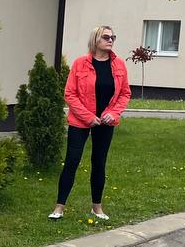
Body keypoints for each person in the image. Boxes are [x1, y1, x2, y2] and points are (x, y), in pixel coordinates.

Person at [49, 26, 132, 221]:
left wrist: (113, 113)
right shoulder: (80, 64)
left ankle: (97, 208)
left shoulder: (119, 65)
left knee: (99, 163)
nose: (110, 40)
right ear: (95, 40)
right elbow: (70, 93)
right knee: (72, 161)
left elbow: (125, 93)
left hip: (106, 122)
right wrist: (87, 117)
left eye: (113, 37)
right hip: (81, 121)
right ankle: (59, 207)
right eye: (106, 37)